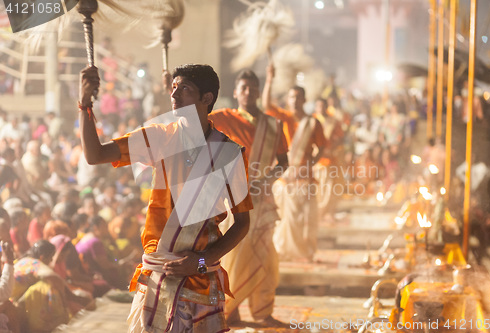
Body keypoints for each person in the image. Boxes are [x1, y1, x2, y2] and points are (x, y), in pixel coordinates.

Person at [79, 64, 252, 332]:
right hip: (157, 270)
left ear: (207, 98)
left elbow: (242, 222)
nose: (174, 95)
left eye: (184, 89)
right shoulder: (159, 137)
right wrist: (84, 105)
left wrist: (202, 261)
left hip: (200, 276)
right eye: (173, 87)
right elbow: (95, 155)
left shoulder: (229, 153)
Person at [209, 70, 288, 326]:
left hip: (262, 199)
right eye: (243, 87)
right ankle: (230, 310)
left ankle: (262, 311)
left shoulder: (274, 125)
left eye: (253, 87)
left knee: (266, 255)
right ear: (236, 92)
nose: (248, 92)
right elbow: (194, 120)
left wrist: (264, 181)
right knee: (233, 255)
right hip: (232, 197)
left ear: (258, 90)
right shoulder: (223, 118)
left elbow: (283, 163)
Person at [262, 64, 326, 262]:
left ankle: (304, 252)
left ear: (305, 100)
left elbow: (322, 147)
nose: (295, 101)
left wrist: (311, 162)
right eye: (291, 97)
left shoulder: (313, 122)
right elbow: (266, 105)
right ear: (287, 100)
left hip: (304, 178)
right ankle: (284, 252)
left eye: (298, 97)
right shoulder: (283, 117)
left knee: (305, 219)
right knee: (285, 219)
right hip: (284, 178)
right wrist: (269, 79)